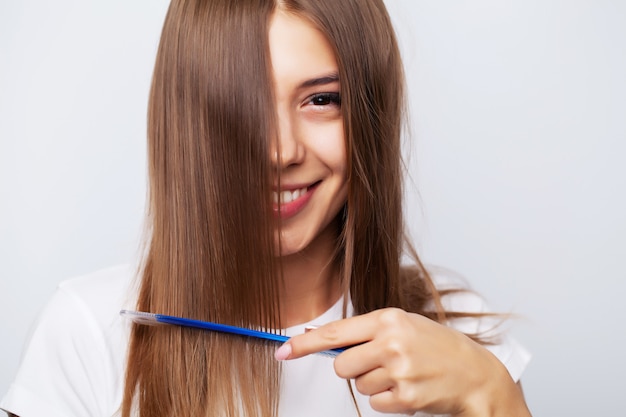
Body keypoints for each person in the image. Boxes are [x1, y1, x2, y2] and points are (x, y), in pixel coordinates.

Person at [1, 0, 532, 416]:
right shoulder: (90, 332)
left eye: (322, 99)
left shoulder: (459, 332)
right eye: (242, 104)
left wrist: (491, 394)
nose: (280, 152)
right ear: (188, 124)